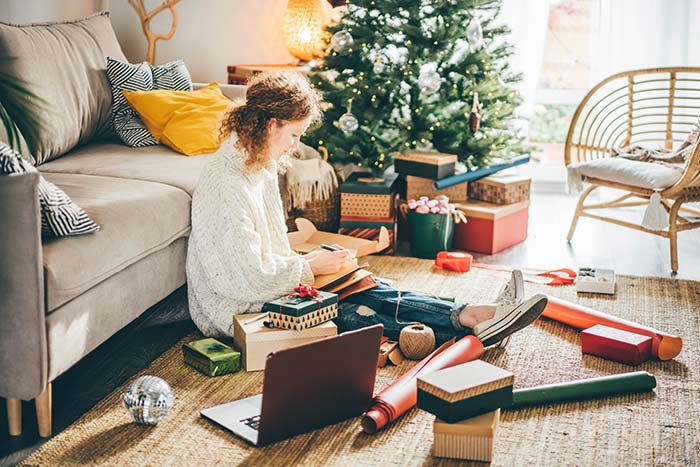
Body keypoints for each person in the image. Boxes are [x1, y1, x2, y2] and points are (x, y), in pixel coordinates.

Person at [186, 72, 547, 347]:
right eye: (294, 135)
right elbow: (242, 277)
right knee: (344, 311)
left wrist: (316, 263)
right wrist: (309, 267)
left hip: (265, 286)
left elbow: (266, 254)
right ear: (269, 125)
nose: (295, 146)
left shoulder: (257, 163)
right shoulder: (227, 183)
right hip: (233, 308)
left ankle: (471, 314)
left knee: (367, 285)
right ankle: (468, 332)